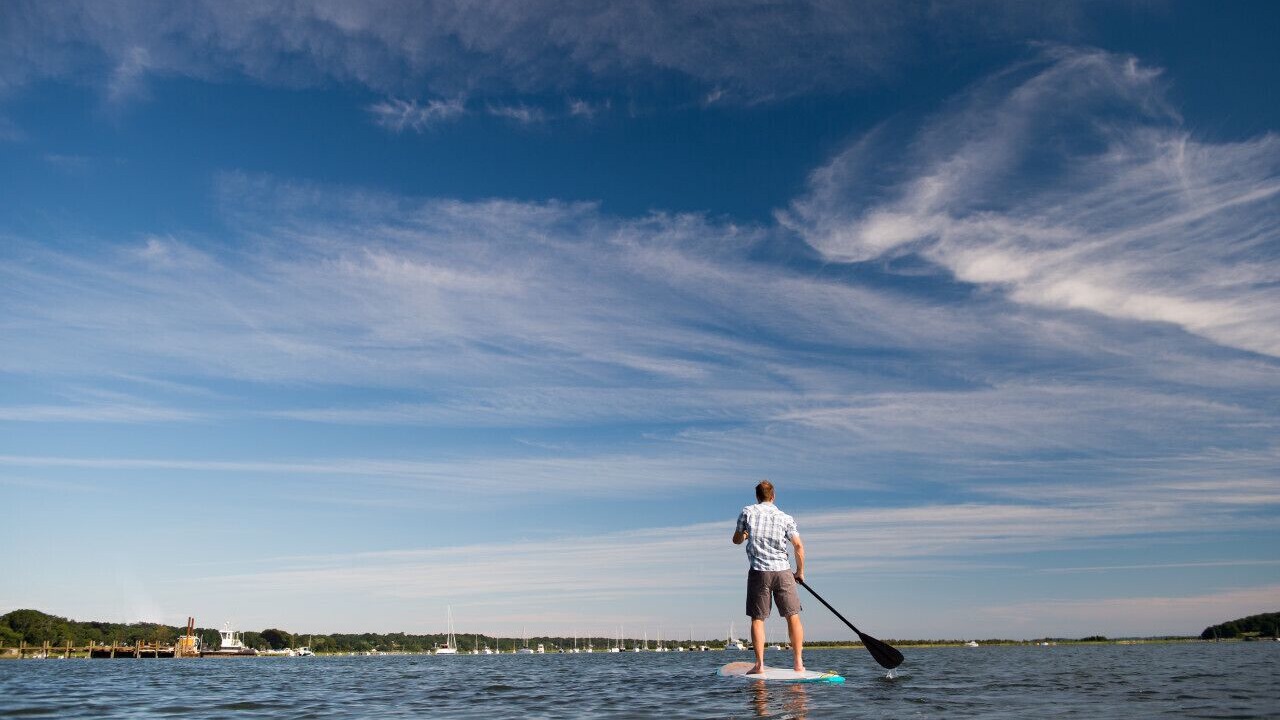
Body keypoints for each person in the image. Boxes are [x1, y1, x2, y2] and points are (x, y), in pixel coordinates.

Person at [732, 479, 805, 674]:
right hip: (783, 571)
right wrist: (800, 572)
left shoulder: (747, 512)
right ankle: (798, 663)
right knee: (793, 617)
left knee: (758, 619)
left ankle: (759, 665)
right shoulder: (785, 517)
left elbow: (736, 540)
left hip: (759, 571)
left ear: (757, 497)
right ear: (773, 497)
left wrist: (746, 535)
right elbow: (798, 546)